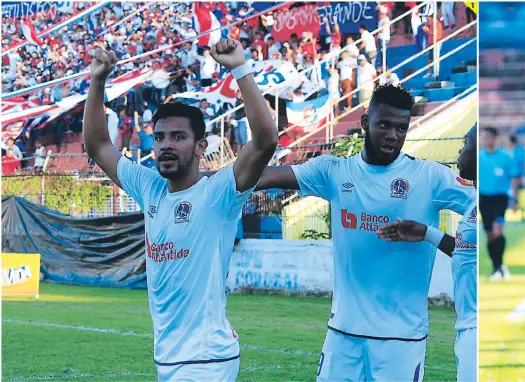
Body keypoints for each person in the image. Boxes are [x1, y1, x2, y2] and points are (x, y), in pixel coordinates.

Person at [82, 39, 277, 381]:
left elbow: (265, 141)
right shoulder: (150, 188)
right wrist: (97, 81)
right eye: (159, 138)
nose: (165, 145)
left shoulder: (218, 192)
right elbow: (97, 145)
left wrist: (239, 68)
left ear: (201, 146)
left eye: (178, 137)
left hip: (206, 360)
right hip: (172, 358)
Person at [252, 84, 475, 381]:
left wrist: (429, 234)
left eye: (401, 128)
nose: (393, 135)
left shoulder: (429, 177)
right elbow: (263, 177)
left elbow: (479, 226)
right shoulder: (333, 171)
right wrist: (199, 183)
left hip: (401, 339)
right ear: (365, 122)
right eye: (384, 124)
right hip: (342, 334)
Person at [375, 125, 478, 382]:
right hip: (466, 326)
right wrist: (427, 234)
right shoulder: (474, 205)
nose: (461, 149)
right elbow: (467, 253)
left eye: (466, 142)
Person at [478, 127, 520, 281]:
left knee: (497, 231)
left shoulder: (506, 157)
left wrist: (514, 199)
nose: (485, 139)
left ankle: (500, 265)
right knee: (489, 233)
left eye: (488, 136)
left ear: (495, 138)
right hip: (484, 199)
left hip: (500, 198)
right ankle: (496, 267)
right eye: (483, 136)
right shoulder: (479, 157)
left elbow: (515, 178)